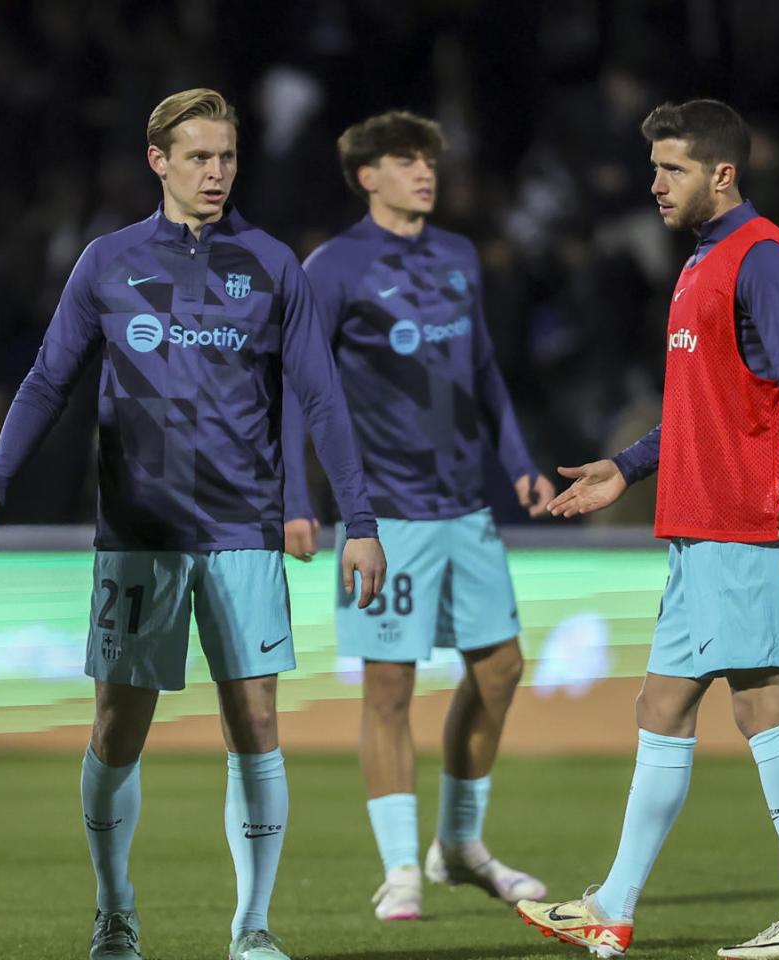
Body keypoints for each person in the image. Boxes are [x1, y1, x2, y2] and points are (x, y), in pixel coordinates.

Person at [0, 88, 387, 960]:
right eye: (198, 157)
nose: (216, 172)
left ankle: (253, 925)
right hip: (140, 530)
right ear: (158, 161)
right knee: (117, 728)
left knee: (255, 720)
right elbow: (47, 380)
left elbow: (322, 398)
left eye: (227, 157)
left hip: (243, 527)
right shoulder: (108, 261)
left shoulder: (272, 264)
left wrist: (360, 519)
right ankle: (115, 910)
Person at [516, 99, 779, 959]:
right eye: (655, 167)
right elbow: (706, 407)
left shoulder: (762, 257)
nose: (656, 184)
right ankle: (613, 907)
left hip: (741, 518)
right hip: (699, 520)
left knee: (762, 701)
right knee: (662, 705)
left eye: (673, 169)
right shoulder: (704, 259)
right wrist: (625, 467)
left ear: (722, 174)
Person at [279, 110, 553, 923]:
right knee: (389, 686)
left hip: (466, 505)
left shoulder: (459, 255)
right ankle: (401, 868)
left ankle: (459, 846)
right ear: (368, 176)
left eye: (428, 159)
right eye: (406, 161)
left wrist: (520, 461)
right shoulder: (333, 267)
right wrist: (296, 498)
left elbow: (484, 370)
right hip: (385, 515)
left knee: (500, 669)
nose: (425, 172)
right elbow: (300, 387)